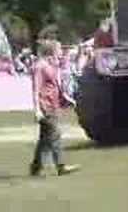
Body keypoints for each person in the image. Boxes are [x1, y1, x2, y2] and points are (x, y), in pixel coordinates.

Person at [30, 39, 80, 177]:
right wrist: (37, 110)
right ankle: (61, 166)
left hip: (53, 105)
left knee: (45, 139)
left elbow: (55, 86)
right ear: (51, 50)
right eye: (59, 49)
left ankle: (36, 167)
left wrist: (67, 99)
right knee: (55, 135)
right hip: (45, 106)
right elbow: (36, 88)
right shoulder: (39, 66)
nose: (61, 52)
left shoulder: (51, 66)